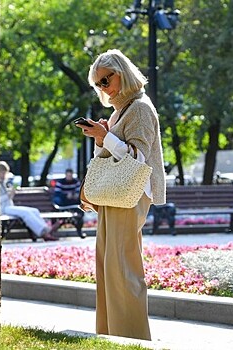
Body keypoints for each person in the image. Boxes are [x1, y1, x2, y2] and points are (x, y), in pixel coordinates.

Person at [74, 49, 166, 341]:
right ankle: (111, 336)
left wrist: (105, 137)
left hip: (131, 193)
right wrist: (104, 135)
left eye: (105, 80)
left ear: (121, 73)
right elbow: (111, 154)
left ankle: (131, 338)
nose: (103, 88)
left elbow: (139, 158)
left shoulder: (139, 108)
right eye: (98, 84)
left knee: (122, 268)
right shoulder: (121, 110)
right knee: (108, 267)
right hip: (116, 195)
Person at [0, 161, 60, 242]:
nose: (4, 175)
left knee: (34, 210)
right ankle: (43, 232)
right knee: (26, 213)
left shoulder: (3, 183)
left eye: (5, 173)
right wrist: (9, 195)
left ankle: (46, 229)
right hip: (3, 209)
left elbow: (8, 198)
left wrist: (12, 193)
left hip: (9, 206)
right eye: (2, 173)